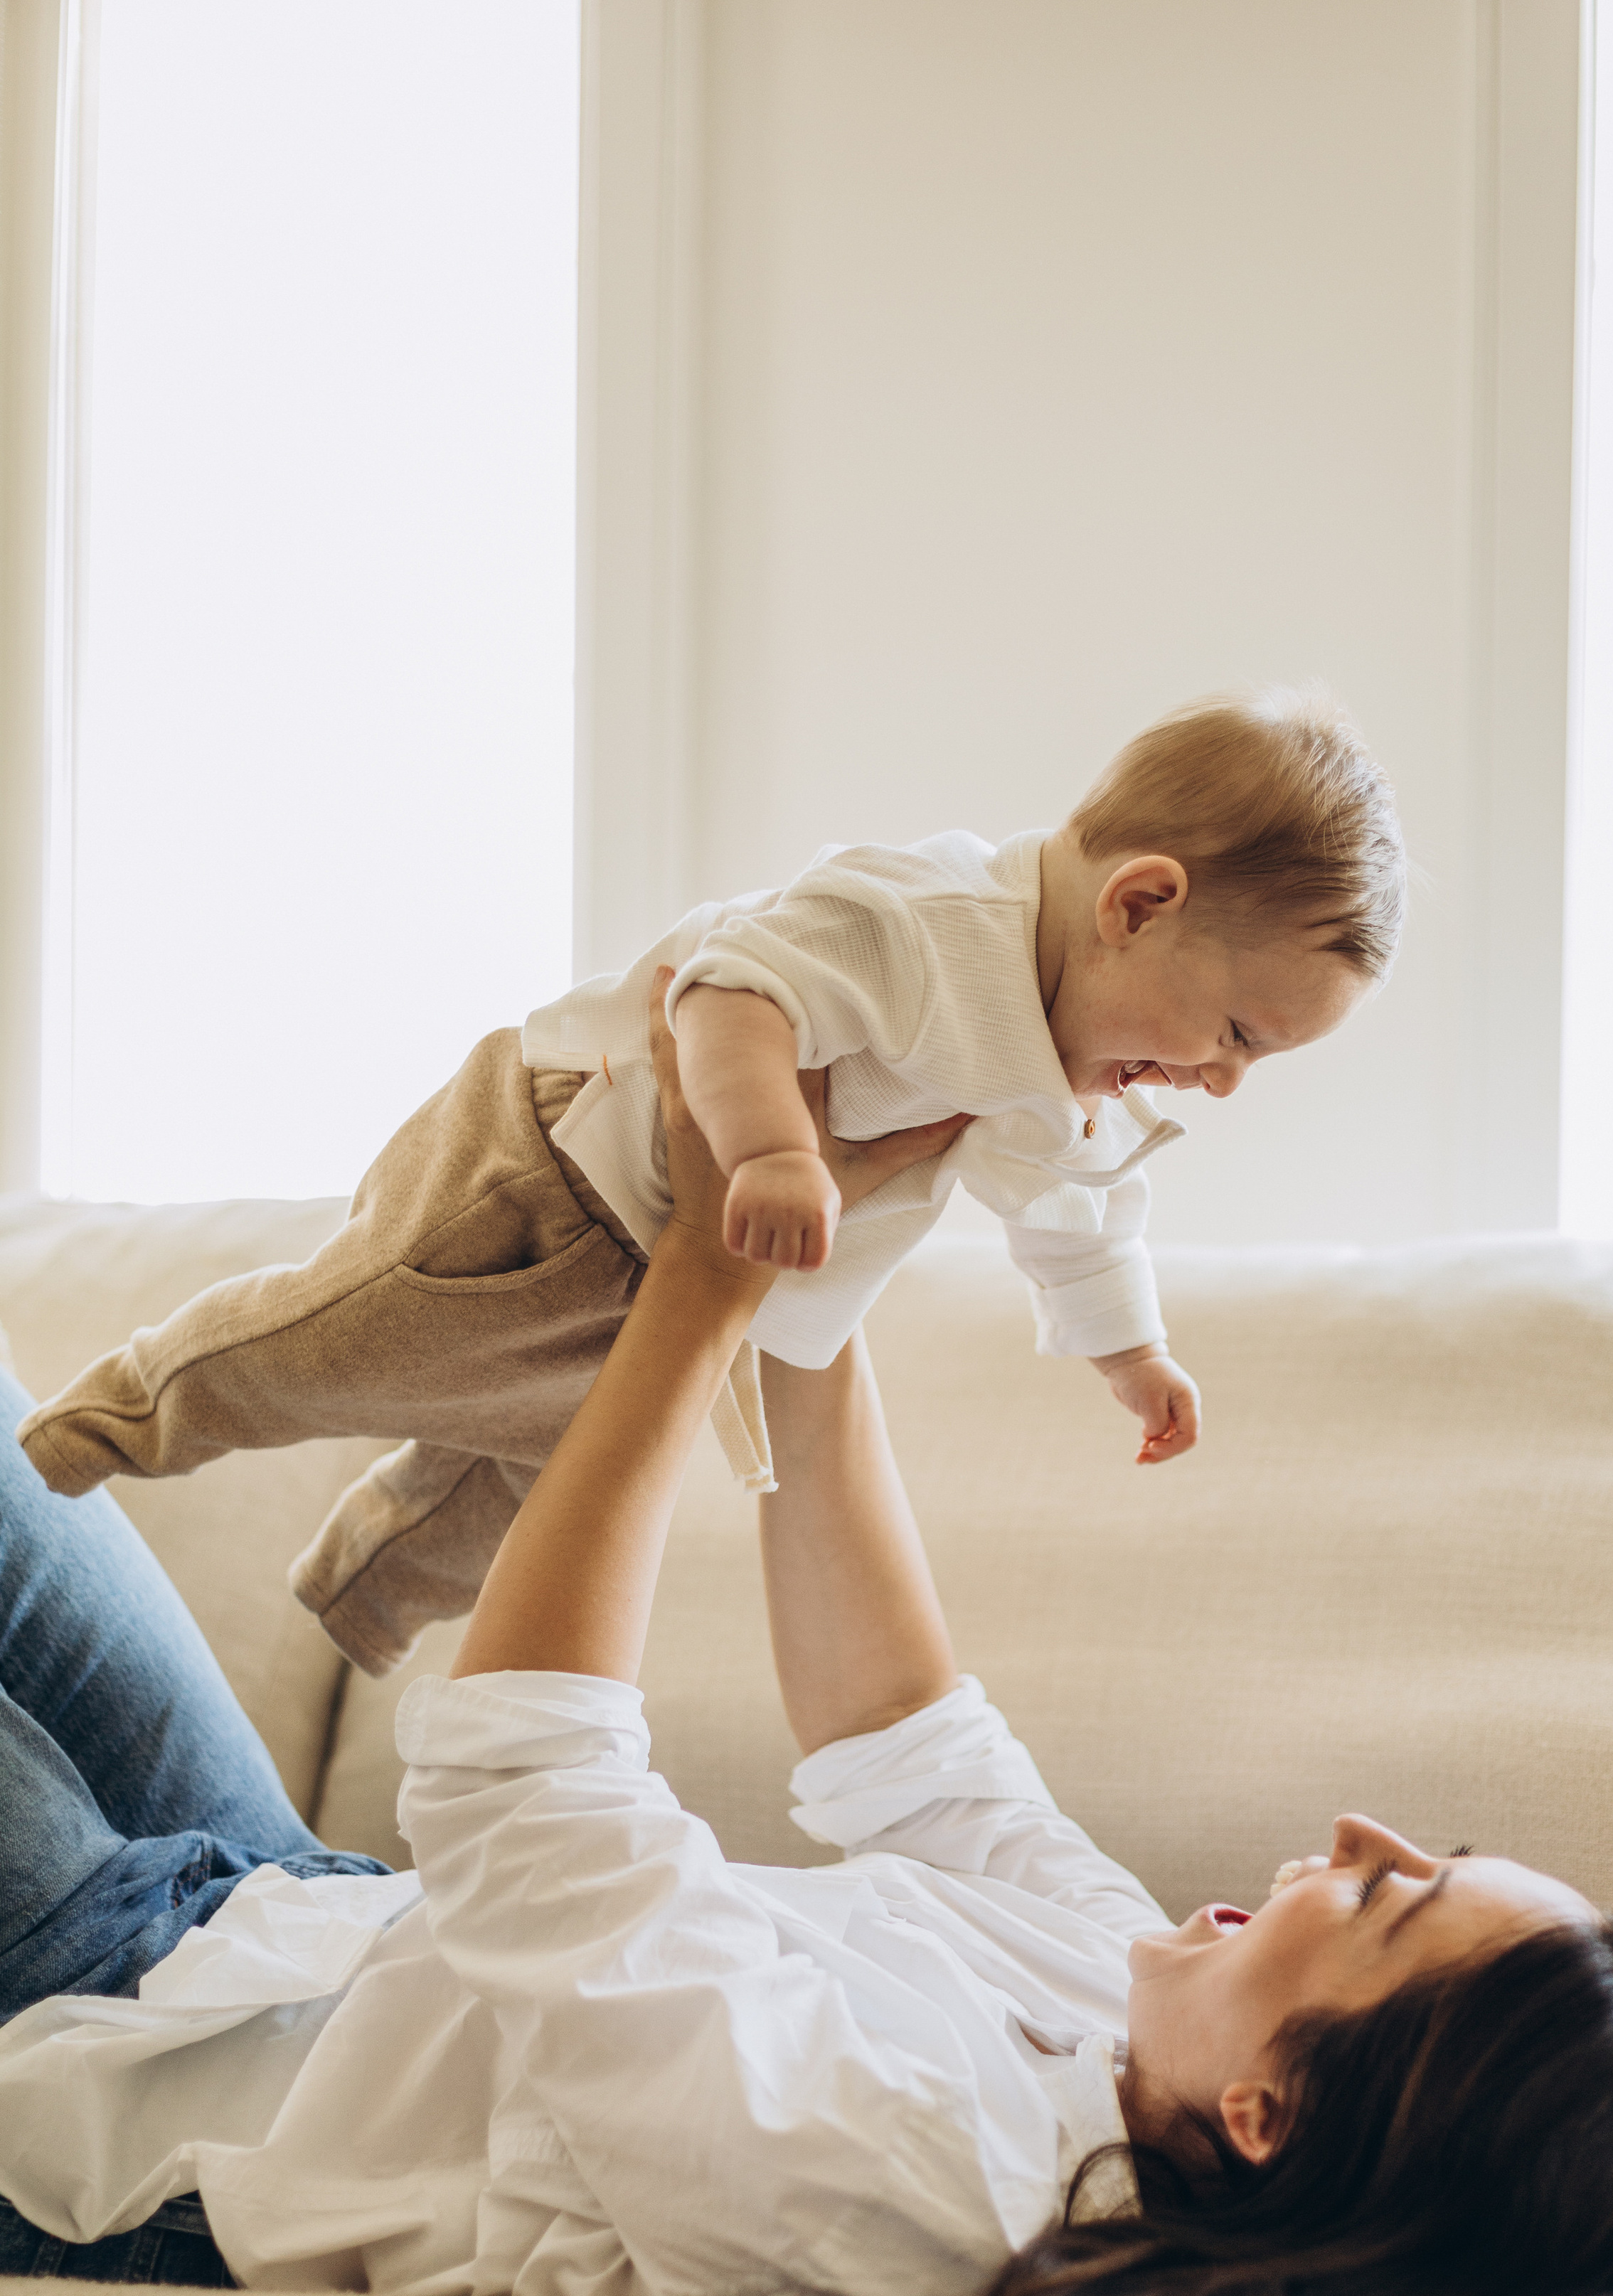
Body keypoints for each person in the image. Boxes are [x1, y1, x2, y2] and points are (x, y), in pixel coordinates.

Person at [0, 997, 1613, 2296]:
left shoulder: (907, 2208)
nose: (1355, 1834)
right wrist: (816, 1277)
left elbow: (523, 1793)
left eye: (1392, 1900)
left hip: (113, 2064)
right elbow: (905, 1736)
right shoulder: (1131, 2010)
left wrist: (694, 1298)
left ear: (1272, 2115)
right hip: (284, 1911)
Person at [14, 688, 1403, 1680]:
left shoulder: (1067, 1070)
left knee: (521, 1486)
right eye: (1233, 1038)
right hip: (553, 1172)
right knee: (334, 1345)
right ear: (1138, 903)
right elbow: (730, 992)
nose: (1219, 1085)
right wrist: (775, 1152)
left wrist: (1130, 1355)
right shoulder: (923, 920)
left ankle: (356, 1607)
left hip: (668, 1293)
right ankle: (123, 1412)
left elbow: (1080, 1210)